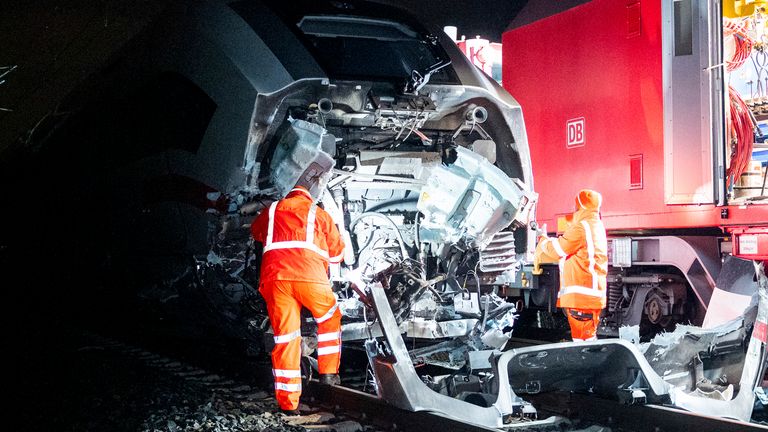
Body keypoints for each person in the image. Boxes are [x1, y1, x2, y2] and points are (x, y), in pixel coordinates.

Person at [251, 184, 345, 415]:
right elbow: (338, 253)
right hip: (310, 279)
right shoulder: (319, 214)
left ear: (289, 193)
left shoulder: (272, 210)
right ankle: (329, 373)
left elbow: (256, 233)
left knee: (286, 338)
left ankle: (288, 404)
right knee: (330, 319)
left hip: (277, 280)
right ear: (309, 196)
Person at [534, 189, 608, 341]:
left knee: (583, 344)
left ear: (581, 207)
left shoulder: (582, 227)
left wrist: (542, 240)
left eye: (576, 206)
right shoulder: (596, 226)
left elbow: (558, 250)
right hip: (590, 296)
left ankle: (587, 365)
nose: (574, 209)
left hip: (582, 298)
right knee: (587, 340)